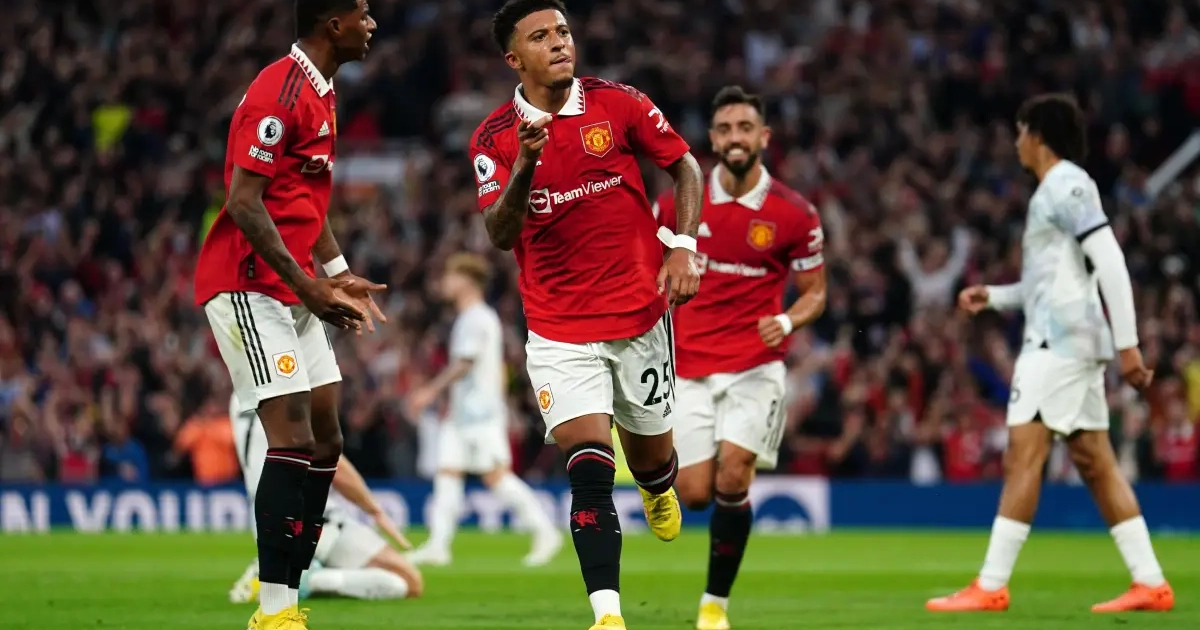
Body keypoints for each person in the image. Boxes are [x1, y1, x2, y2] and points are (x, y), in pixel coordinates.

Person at [469, 1, 705, 627]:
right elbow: (499, 233)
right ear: (514, 59)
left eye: (564, 31)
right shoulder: (494, 139)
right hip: (559, 331)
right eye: (541, 36)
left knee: (651, 460)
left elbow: (684, 165)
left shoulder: (619, 104)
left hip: (640, 318)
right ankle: (608, 615)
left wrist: (683, 246)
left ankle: (656, 486)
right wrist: (525, 163)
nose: (559, 43)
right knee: (591, 471)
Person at [926, 94, 1174, 613]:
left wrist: (1129, 346)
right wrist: (994, 297)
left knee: (1024, 456)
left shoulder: (1066, 184)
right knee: (1095, 462)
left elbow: (1110, 260)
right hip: (1072, 343)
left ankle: (991, 585)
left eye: (1020, 132)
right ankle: (1151, 583)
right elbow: (1050, 284)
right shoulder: (1054, 191)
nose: (1016, 142)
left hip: (1056, 348)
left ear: (1037, 135)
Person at [192, 2, 384, 628]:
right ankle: (275, 611)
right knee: (293, 438)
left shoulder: (321, 91)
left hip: (293, 286)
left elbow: (302, 199)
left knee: (328, 436)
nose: (372, 25)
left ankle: (291, 579)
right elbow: (244, 202)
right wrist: (308, 286)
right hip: (248, 285)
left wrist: (336, 273)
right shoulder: (280, 95)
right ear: (333, 24)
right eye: (362, 13)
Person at [654, 86, 827, 630]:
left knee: (734, 477)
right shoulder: (679, 204)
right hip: (689, 368)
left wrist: (789, 320)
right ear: (712, 138)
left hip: (756, 364)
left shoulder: (794, 214)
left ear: (764, 137)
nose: (735, 138)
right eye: (726, 129)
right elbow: (648, 268)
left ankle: (714, 607)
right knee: (695, 495)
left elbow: (817, 292)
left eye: (745, 128)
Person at [405, 253, 563, 567]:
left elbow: (465, 363)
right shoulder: (470, 318)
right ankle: (438, 545)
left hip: (481, 415)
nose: (444, 283)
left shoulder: (478, 318)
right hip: (463, 414)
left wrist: (429, 392)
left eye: (450, 276)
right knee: (447, 473)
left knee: (495, 477)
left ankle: (545, 531)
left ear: (467, 280)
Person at [228, 395, 423, 603]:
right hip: (310, 517)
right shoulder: (291, 391)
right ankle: (301, 579)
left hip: (267, 518)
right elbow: (328, 459)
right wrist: (374, 509)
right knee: (408, 580)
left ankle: (291, 571)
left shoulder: (239, 397)